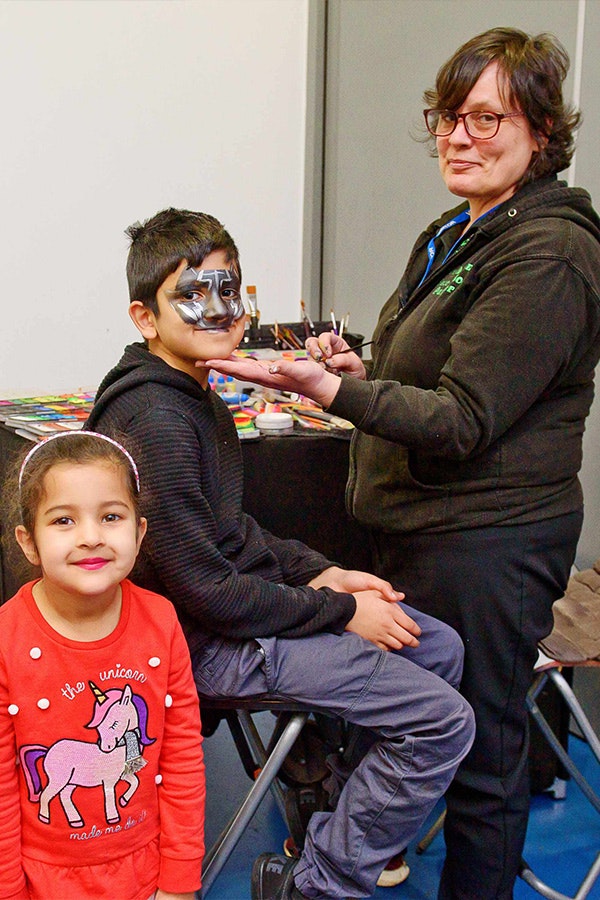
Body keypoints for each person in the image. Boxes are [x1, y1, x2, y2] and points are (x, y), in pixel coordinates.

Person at [204, 27, 600, 900]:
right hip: (419, 527)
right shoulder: (452, 231)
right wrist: (363, 373)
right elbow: (433, 374)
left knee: (485, 758)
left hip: (488, 541)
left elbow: (463, 419)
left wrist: (331, 392)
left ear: (540, 130)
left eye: (488, 118)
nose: (460, 138)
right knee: (426, 726)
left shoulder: (551, 252)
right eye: (450, 117)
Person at [85, 207, 475, 899]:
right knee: (444, 720)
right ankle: (320, 883)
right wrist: (336, 610)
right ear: (145, 318)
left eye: (228, 289)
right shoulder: (156, 417)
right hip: (203, 643)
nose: (217, 309)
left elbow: (233, 530)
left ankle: (336, 817)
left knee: (437, 646)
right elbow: (207, 591)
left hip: (234, 616)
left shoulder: (195, 393)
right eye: (192, 294)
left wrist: (322, 571)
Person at [0, 431, 205, 900]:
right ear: (28, 543)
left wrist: (178, 878)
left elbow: (181, 757)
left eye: (111, 517)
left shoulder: (161, 620)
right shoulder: (6, 641)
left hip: (143, 869)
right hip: (40, 880)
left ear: (139, 532)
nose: (91, 537)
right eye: (63, 520)